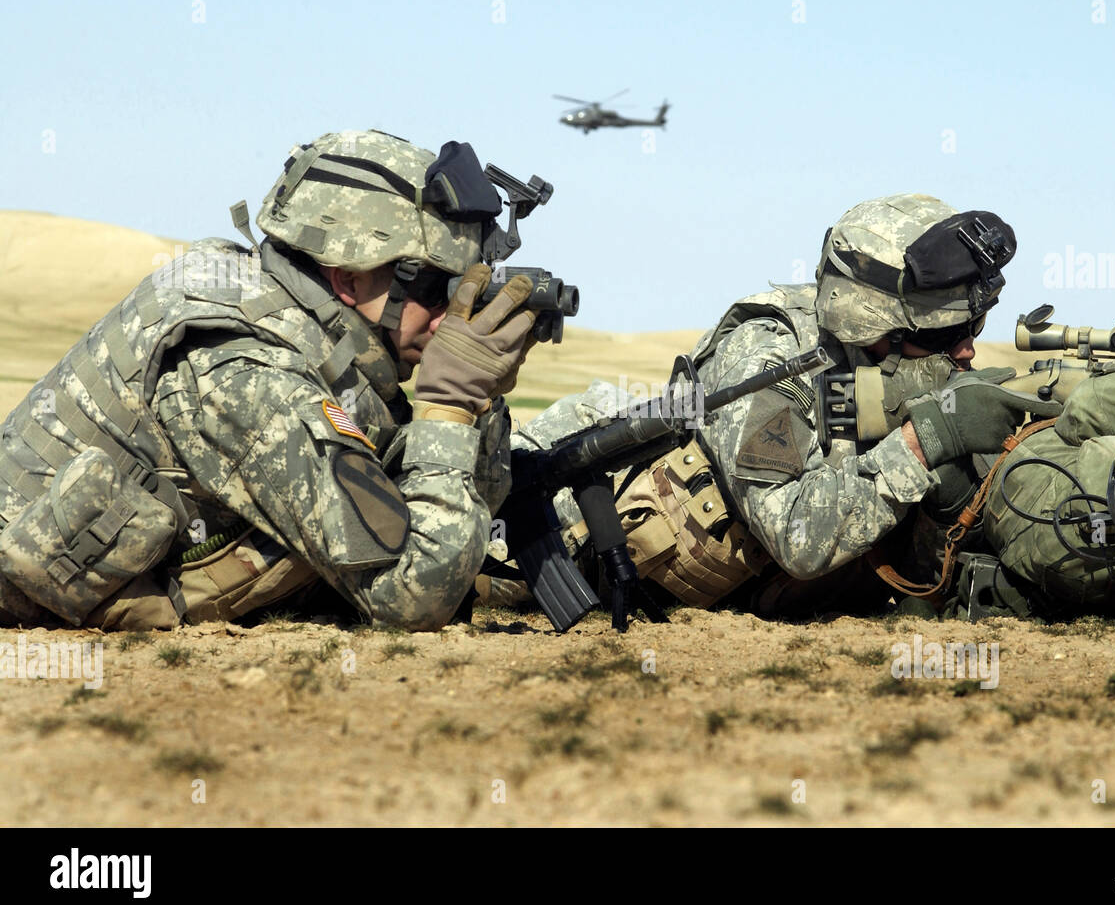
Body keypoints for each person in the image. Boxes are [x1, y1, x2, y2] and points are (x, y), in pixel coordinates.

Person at [0, 129, 540, 631]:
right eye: (433, 289)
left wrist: (478, 401)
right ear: (347, 277)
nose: (450, 317)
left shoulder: (319, 340)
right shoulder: (244, 369)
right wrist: (448, 404)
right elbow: (413, 597)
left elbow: (463, 508)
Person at [501, 194, 1060, 619]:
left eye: (974, 325)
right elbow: (797, 537)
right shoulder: (771, 357)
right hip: (531, 533)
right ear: (875, 324)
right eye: (948, 333)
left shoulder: (879, 361)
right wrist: (925, 439)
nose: (967, 349)